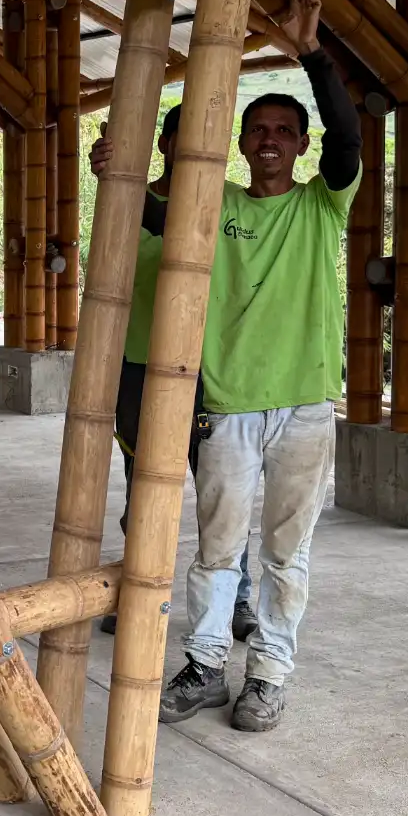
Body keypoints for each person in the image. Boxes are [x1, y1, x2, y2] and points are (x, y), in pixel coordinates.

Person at [146, 0, 362, 733]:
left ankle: (268, 674)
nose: (270, 140)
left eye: (284, 131)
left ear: (301, 147)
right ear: (241, 144)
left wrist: (312, 52)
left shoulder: (323, 204)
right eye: (259, 130)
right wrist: (113, 171)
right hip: (229, 403)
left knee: (285, 553)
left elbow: (348, 137)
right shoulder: (217, 206)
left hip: (305, 406)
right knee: (216, 550)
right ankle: (207, 667)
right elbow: (151, 210)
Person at [89, 105, 254, 641]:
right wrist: (115, 178)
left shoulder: (231, 204)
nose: (196, 150)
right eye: (184, 139)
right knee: (143, 487)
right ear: (163, 144)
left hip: (211, 371)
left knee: (223, 491)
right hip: (139, 367)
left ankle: (237, 599)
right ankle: (137, 590)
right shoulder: (127, 198)